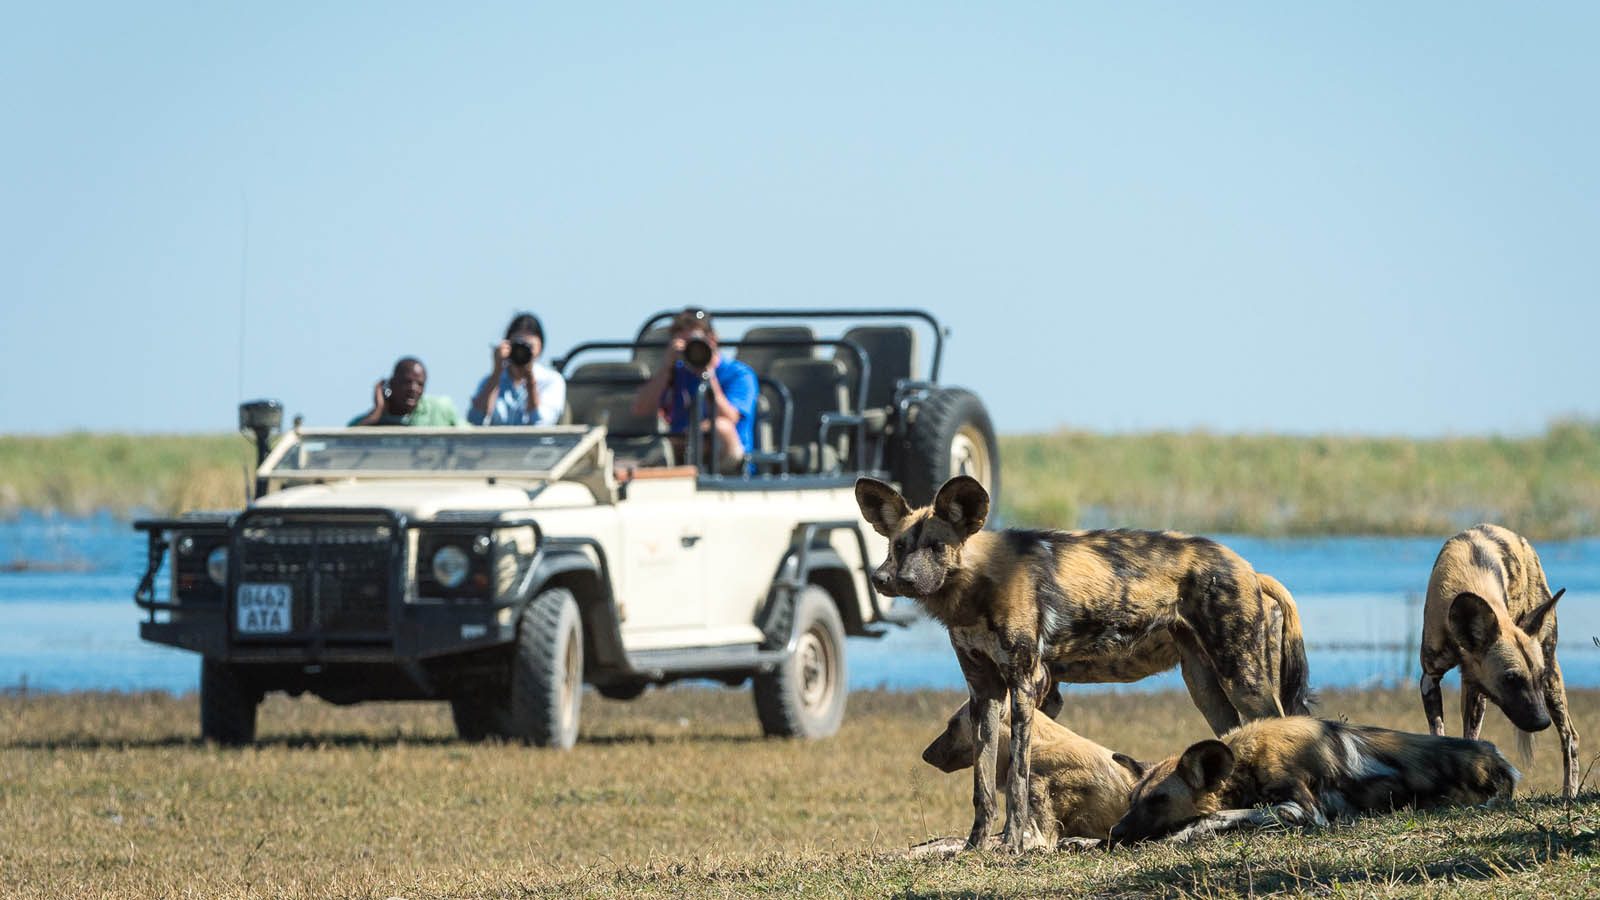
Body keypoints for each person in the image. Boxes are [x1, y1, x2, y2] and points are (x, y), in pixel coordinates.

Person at [631, 308, 757, 472]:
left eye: (695, 341)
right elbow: (640, 409)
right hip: (682, 453)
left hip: (729, 461)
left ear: (712, 339)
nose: (693, 349)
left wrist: (707, 374)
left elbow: (729, 418)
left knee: (721, 427)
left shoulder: (739, 374)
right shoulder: (676, 372)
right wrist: (667, 368)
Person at [469, 312, 567, 426]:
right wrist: (496, 374)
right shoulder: (490, 381)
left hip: (534, 444)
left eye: (529, 347)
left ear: (540, 348)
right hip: (497, 443)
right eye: (517, 346)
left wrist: (530, 381)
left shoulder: (552, 380)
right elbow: (475, 420)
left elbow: (540, 424)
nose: (521, 352)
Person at [349, 357, 463, 426]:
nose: (413, 389)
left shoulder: (439, 409)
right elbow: (344, 446)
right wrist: (377, 412)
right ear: (391, 384)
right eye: (407, 382)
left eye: (420, 384)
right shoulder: (371, 420)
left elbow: (472, 439)